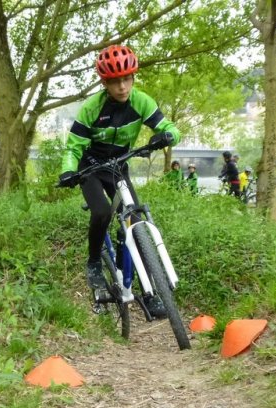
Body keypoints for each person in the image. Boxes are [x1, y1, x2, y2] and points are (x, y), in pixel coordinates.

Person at [58, 44, 181, 316]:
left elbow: (169, 127)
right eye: (115, 81)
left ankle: (148, 292)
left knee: (134, 223)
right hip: (89, 167)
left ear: (133, 78)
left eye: (127, 79)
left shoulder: (141, 102)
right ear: (105, 83)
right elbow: (73, 148)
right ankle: (93, 263)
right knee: (101, 211)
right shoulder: (92, 108)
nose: (122, 87)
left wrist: (168, 136)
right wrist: (67, 171)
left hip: (117, 167)